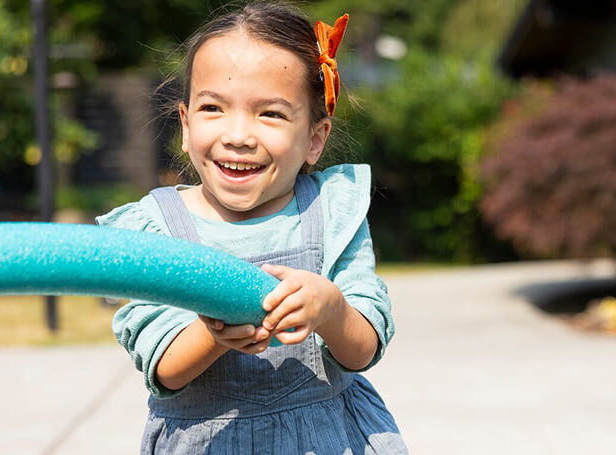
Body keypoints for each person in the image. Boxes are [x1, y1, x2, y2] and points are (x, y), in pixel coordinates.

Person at [96, 3, 407, 453]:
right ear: (185, 125)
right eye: (213, 108)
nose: (238, 134)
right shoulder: (155, 230)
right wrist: (213, 332)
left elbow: (363, 349)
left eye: (271, 114)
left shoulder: (330, 212)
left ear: (314, 138)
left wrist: (331, 310)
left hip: (330, 438)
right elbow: (161, 365)